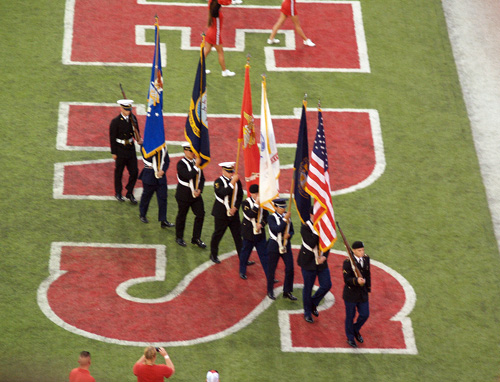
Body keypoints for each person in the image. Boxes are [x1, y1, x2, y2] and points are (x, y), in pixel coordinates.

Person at [297, 208, 332, 323]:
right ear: (311, 215)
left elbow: (327, 243)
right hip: (308, 262)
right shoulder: (305, 227)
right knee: (308, 288)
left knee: (327, 285)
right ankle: (307, 312)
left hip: (321, 262)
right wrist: (318, 230)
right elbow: (311, 243)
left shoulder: (324, 226)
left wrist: (325, 256)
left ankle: (313, 303)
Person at [109, 99, 142, 203]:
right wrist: (114, 152)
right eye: (126, 109)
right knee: (119, 172)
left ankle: (129, 192)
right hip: (120, 149)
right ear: (121, 109)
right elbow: (112, 138)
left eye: (129, 109)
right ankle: (118, 192)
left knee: (134, 172)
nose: (128, 111)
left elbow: (137, 133)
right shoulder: (116, 122)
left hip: (130, 149)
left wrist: (138, 137)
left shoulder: (133, 119)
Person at [210, 162, 243, 264]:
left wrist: (236, 208)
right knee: (218, 235)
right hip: (221, 214)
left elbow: (240, 196)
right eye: (229, 172)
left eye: (231, 171)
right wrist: (232, 182)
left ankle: (243, 258)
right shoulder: (218, 182)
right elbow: (222, 193)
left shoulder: (237, 181)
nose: (231, 174)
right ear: (223, 171)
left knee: (238, 236)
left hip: (234, 214)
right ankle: (213, 255)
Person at [175, 142, 206, 248]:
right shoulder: (181, 164)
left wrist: (200, 190)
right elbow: (188, 175)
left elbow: (202, 178)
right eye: (190, 151)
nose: (192, 153)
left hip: (196, 195)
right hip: (184, 195)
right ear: (185, 151)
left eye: (193, 150)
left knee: (200, 214)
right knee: (182, 216)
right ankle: (179, 237)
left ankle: (196, 238)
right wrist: (196, 165)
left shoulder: (196, 162)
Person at [266, 198, 296, 301]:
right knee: (271, 269)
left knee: (290, 268)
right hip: (274, 246)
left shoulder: (287, 216)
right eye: (281, 207)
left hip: (286, 245)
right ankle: (270, 290)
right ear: (275, 207)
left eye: (284, 207)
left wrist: (289, 235)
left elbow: (291, 230)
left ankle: (287, 291)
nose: (283, 209)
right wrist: (284, 219)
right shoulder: (271, 218)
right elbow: (276, 229)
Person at [342, 240, 371, 348]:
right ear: (353, 251)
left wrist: (368, 290)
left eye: (363, 250)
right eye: (359, 250)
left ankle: (355, 329)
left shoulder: (366, 259)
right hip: (351, 294)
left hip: (362, 293)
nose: (362, 252)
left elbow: (368, 275)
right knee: (350, 316)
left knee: (365, 314)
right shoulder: (347, 262)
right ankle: (350, 338)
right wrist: (356, 281)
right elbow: (347, 279)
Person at [138, 146, 174, 228]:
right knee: (146, 196)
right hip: (149, 176)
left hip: (161, 178)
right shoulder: (146, 146)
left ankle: (163, 220)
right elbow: (147, 158)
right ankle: (142, 214)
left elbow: (166, 161)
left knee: (163, 199)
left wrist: (163, 170)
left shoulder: (163, 147)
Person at [239, 184, 268, 280]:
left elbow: (266, 217)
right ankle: (242, 270)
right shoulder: (245, 203)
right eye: (256, 194)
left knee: (264, 255)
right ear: (251, 194)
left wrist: (262, 224)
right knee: (245, 253)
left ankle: (269, 275)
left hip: (260, 234)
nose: (258, 195)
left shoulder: (263, 203)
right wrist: (257, 204)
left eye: (258, 193)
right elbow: (250, 215)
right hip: (249, 233)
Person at [204, 0, 236, 77]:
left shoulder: (210, 8)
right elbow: (226, 2)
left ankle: (201, 69)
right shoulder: (218, 14)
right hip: (215, 35)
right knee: (220, 52)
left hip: (209, 33)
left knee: (206, 50)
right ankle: (224, 71)